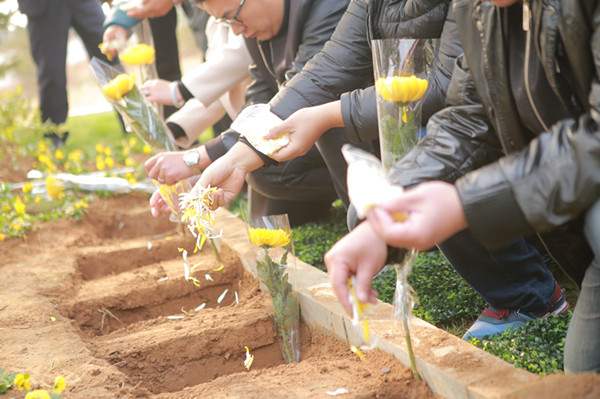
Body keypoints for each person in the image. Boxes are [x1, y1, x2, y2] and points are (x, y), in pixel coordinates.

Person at [184, 0, 567, 339]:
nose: (235, 28)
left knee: (425, 158)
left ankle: (530, 294)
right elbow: (327, 69)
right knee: (378, 188)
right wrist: (242, 152)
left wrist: (327, 115)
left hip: (529, 134)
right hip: (462, 124)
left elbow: (444, 89)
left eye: (232, 17)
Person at [325, 0, 599, 372]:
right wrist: (385, 216)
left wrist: (464, 204)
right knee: (585, 371)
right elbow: (469, 118)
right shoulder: (482, 9)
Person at [148, 0, 350, 226]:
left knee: (261, 169)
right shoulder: (256, 25)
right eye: (225, 22)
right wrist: (210, 171)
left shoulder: (327, 7)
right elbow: (261, 93)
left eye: (233, 16)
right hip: (308, 129)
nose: (235, 29)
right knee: (262, 185)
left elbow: (305, 92)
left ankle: (364, 197)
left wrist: (199, 157)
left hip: (361, 129)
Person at [141, 17, 251, 149]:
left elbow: (240, 58)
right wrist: (176, 127)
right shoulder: (214, 23)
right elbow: (220, 89)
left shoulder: (245, 14)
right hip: (250, 135)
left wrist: (179, 90)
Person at [18, 0, 117, 148]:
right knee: (51, 71)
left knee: (108, 55)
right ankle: (54, 136)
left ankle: (134, 121)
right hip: (43, 5)